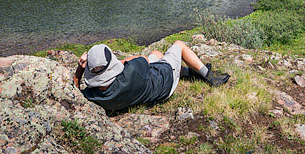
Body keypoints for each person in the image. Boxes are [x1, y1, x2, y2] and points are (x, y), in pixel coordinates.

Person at [73, 40, 230, 112]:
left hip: (146, 91)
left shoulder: (93, 96)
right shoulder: (131, 71)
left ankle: (190, 73)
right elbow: (143, 60)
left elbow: (74, 92)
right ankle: (209, 76)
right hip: (164, 83)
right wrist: (118, 62)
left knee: (156, 54)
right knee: (179, 45)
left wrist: (80, 70)